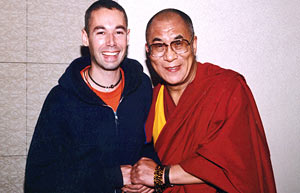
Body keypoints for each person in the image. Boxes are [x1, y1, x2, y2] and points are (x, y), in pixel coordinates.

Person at [127, 8, 277, 193]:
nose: (170, 56)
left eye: (179, 43)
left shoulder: (228, 88)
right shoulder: (151, 99)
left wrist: (160, 176)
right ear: (148, 51)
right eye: (159, 46)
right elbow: (144, 159)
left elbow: (235, 165)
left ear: (194, 45)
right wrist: (142, 182)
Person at [24, 1, 158, 192]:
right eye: (101, 32)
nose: (111, 41)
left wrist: (148, 174)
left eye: (118, 32)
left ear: (127, 37)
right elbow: (38, 181)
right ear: (85, 37)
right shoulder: (61, 100)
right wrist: (113, 177)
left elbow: (151, 143)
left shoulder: (142, 87)